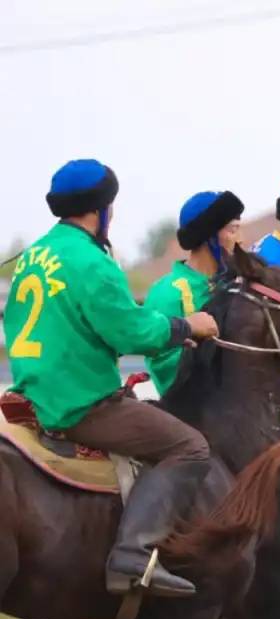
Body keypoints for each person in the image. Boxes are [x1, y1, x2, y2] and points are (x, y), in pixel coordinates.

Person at [2, 159, 220, 596]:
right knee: (191, 447)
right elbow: (131, 331)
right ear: (102, 210)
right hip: (80, 402)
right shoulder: (92, 262)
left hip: (28, 393)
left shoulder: (32, 257)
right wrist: (187, 326)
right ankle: (133, 554)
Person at [143, 190, 244, 394]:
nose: (240, 240)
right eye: (233, 230)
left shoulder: (238, 285)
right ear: (209, 236)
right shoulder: (167, 292)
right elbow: (164, 368)